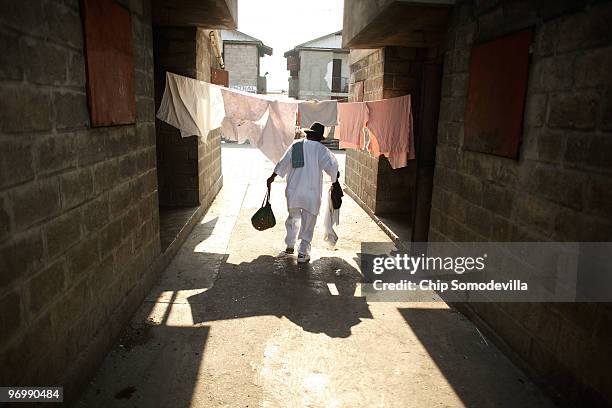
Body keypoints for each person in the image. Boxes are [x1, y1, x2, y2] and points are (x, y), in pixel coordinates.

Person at [267, 122, 339, 263]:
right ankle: (302, 252)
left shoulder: (296, 145)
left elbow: (283, 163)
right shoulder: (321, 149)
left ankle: (290, 245)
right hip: (311, 193)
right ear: (319, 137)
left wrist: (272, 177)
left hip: (294, 190)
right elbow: (332, 166)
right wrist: (335, 180)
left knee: (293, 218)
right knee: (308, 222)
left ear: (309, 134)